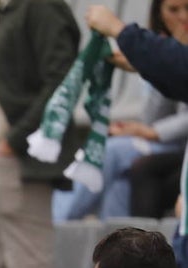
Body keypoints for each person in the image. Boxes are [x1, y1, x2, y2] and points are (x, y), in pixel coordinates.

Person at [0, 0, 79, 268]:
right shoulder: (4, 9)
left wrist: (14, 141)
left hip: (19, 157)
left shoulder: (41, 6)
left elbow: (62, 82)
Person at [59, 0, 188, 222]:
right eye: (173, 10)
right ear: (159, 15)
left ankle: (59, 221)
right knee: (119, 185)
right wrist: (157, 69)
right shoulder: (160, 52)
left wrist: (152, 132)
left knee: (110, 151)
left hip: (173, 142)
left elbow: (156, 123)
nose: (183, 18)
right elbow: (153, 115)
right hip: (163, 142)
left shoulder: (161, 52)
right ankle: (120, 250)